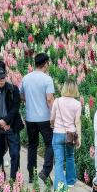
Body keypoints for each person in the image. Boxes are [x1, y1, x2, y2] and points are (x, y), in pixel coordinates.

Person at [21, 53, 56, 183]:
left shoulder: (26, 78)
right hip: (45, 118)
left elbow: (21, 96)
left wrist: (30, 100)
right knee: (50, 144)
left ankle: (31, 175)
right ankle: (45, 171)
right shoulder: (47, 79)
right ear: (45, 63)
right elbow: (49, 99)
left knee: (32, 146)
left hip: (30, 118)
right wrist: (54, 116)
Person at [50, 80, 83, 191]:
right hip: (71, 134)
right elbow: (77, 121)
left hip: (58, 133)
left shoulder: (57, 101)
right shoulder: (77, 104)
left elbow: (52, 117)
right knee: (70, 156)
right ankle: (70, 181)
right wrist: (79, 137)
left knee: (59, 161)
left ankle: (60, 187)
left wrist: (52, 124)